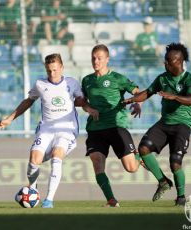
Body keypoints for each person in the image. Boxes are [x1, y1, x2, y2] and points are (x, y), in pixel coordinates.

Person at [0, 53, 98, 208]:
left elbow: (81, 101)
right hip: (46, 128)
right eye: (49, 71)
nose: (52, 74)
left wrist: (90, 109)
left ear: (62, 68)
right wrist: (10, 118)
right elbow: (28, 101)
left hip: (67, 129)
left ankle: (48, 200)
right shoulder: (40, 84)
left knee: (57, 156)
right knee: (34, 160)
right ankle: (33, 188)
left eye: (55, 70)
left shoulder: (72, 83)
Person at [123, 43, 191, 206]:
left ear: (178, 61)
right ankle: (163, 182)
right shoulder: (162, 78)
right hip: (164, 123)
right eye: (165, 60)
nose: (165, 63)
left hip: (182, 125)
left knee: (175, 162)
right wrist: (131, 99)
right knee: (143, 148)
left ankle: (181, 198)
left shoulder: (189, 79)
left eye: (168, 60)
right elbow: (147, 93)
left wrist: (175, 97)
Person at [81, 44, 143, 207]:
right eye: (93, 57)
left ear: (107, 59)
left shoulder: (117, 78)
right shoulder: (87, 80)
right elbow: (82, 102)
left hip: (116, 126)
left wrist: (137, 103)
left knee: (131, 168)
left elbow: (137, 92)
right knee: (96, 161)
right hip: (95, 128)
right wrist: (88, 108)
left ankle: (139, 156)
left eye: (99, 58)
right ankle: (111, 199)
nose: (96, 61)